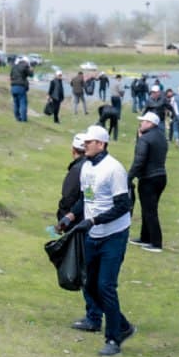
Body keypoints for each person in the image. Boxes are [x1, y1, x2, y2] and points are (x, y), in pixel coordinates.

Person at [63, 125, 135, 356]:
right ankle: (122, 326)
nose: (84, 146)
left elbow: (124, 206)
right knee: (90, 284)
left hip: (114, 235)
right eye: (84, 143)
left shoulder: (114, 169)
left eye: (89, 143)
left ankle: (113, 339)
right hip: (93, 235)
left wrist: (94, 221)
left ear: (101, 144)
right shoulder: (86, 168)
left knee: (105, 286)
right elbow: (87, 198)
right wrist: (71, 216)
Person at [55, 134, 103, 334]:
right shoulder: (94, 168)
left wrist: (67, 218)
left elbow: (71, 198)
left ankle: (94, 316)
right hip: (92, 223)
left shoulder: (80, 170)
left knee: (88, 272)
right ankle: (96, 314)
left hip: (85, 226)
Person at [126, 111, 168, 252]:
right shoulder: (161, 137)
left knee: (150, 211)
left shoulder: (145, 139)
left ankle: (156, 243)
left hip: (148, 178)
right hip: (161, 176)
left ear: (150, 123)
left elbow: (139, 159)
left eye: (143, 121)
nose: (141, 123)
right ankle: (145, 237)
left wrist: (129, 176)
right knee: (148, 208)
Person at [10, 55, 33, 121]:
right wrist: (31, 70)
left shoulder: (14, 66)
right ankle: (23, 119)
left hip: (13, 86)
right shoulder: (25, 66)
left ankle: (17, 118)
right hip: (21, 87)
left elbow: (11, 76)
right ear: (26, 62)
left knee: (16, 103)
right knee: (23, 103)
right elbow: (31, 75)